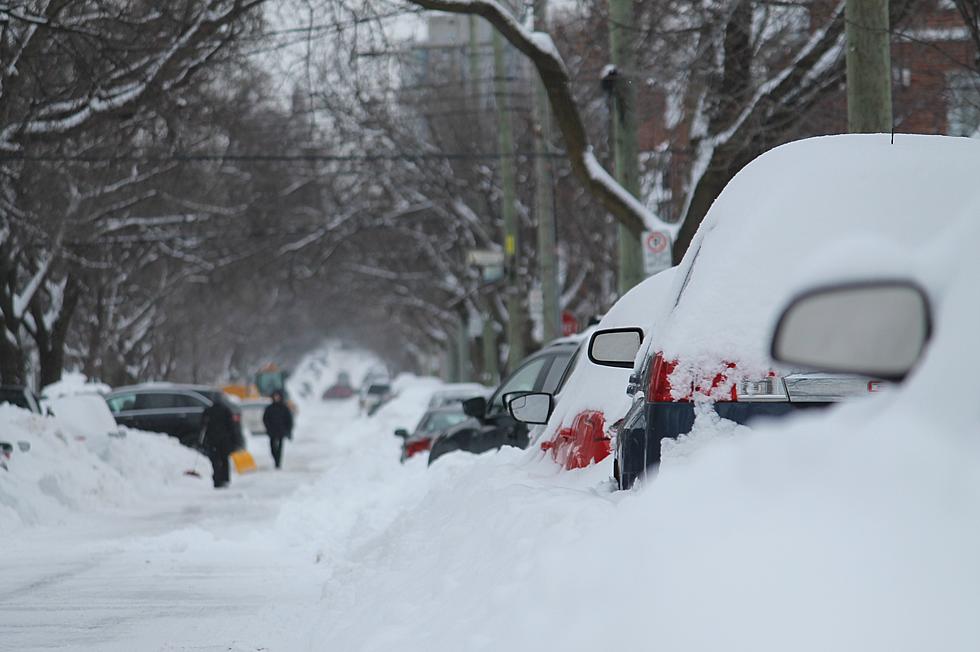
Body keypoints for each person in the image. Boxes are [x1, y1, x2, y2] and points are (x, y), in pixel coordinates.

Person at [202, 397, 236, 488]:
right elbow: (231, 426)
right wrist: (233, 439)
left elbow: (203, 425)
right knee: (224, 459)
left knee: (215, 460)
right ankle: (225, 478)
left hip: (212, 440)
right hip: (224, 440)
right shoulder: (226, 411)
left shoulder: (208, 411)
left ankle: (217, 479)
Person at [262, 390, 293, 469]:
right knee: (272, 447)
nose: (276, 398)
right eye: (275, 396)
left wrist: (288, 430)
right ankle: (275, 459)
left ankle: (278, 462)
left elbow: (289, 420)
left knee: (280, 447)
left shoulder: (284, 408)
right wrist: (268, 427)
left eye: (278, 396)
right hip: (272, 430)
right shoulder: (269, 408)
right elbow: (265, 419)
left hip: (281, 430)